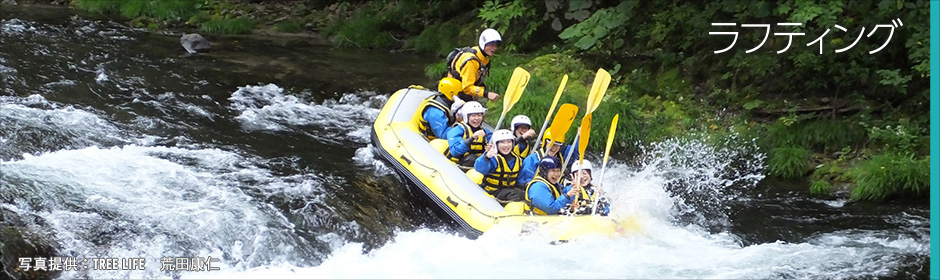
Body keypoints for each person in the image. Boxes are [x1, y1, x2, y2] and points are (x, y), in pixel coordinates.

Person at [447, 28, 502, 102]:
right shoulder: (471, 61)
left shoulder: (483, 58)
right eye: (491, 45)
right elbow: (467, 88)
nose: (494, 48)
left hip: (464, 92)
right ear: (483, 43)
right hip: (453, 94)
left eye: (496, 45)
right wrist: (487, 94)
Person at [474, 129, 525, 202]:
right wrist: (487, 157)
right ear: (496, 144)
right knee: (514, 194)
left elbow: (520, 178)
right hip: (492, 191)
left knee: (521, 194)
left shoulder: (518, 160)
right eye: (502, 142)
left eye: (509, 142)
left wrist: (525, 184)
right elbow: (480, 169)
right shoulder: (493, 158)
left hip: (507, 190)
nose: (506, 145)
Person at [445, 101, 491, 167]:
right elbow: (455, 152)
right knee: (472, 159)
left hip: (477, 165)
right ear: (466, 116)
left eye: (479, 115)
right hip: (458, 163)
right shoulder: (457, 130)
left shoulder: (486, 133)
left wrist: (491, 149)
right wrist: (472, 138)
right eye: (473, 115)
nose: (477, 118)